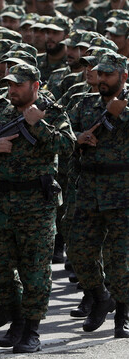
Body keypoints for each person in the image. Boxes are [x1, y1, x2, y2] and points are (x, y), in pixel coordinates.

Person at [0, 62, 74, 352]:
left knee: (35, 270)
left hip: (38, 202)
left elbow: (67, 145)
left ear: (35, 87)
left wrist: (39, 124)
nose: (12, 90)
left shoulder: (53, 113)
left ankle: (31, 329)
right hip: (2, 200)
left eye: (18, 85)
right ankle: (15, 313)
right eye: (10, 85)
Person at [67, 51, 129, 337]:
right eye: (99, 74)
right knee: (79, 251)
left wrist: (122, 112)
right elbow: (65, 134)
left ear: (123, 77)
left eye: (108, 74)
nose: (101, 79)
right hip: (89, 190)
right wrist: (77, 139)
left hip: (122, 191)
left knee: (121, 258)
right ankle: (101, 296)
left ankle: (123, 316)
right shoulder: (85, 103)